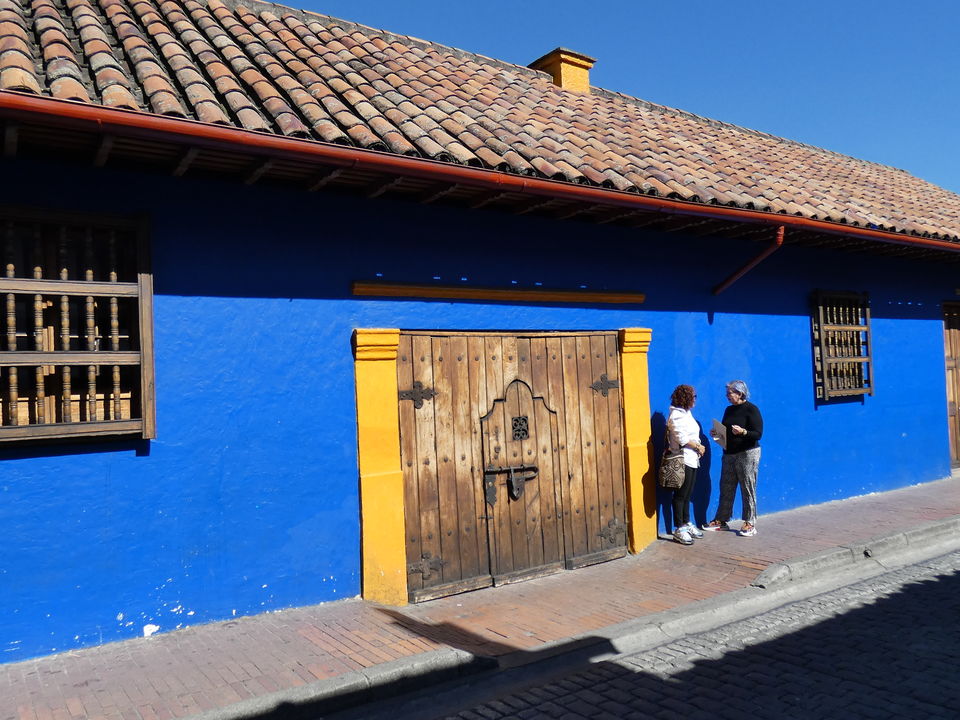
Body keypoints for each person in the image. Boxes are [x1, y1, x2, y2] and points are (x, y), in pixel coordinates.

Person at [703, 380, 763, 537]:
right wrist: (717, 434)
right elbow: (726, 432)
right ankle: (721, 521)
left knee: (747, 487)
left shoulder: (751, 409)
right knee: (726, 486)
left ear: (740, 393)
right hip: (729, 453)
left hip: (747, 453)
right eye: (727, 393)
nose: (727, 396)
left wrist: (743, 432)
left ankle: (750, 523)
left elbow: (758, 434)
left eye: (730, 393)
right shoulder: (728, 410)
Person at [666, 384, 706, 545]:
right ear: (685, 398)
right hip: (682, 459)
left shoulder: (687, 414)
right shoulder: (676, 416)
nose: (695, 399)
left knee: (688, 494)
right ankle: (679, 528)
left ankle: (687, 522)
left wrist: (699, 447)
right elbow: (682, 439)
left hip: (692, 459)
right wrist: (698, 446)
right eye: (693, 396)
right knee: (680, 495)